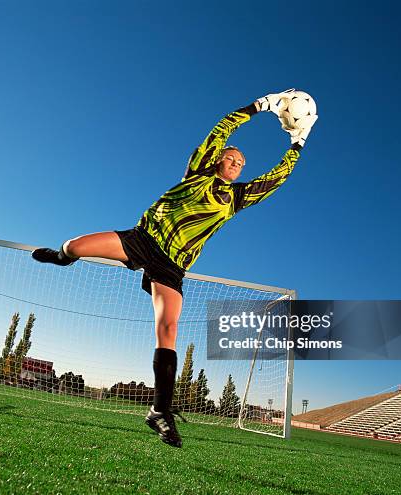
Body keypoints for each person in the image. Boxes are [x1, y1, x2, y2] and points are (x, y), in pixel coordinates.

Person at [32, 89, 317, 448]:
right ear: (218, 160)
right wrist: (260, 105)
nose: (237, 163)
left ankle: (160, 412)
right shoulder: (198, 171)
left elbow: (276, 179)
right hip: (142, 239)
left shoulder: (235, 200)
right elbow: (223, 126)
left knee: (168, 328)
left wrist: (298, 142)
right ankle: (61, 258)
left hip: (172, 265)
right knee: (74, 246)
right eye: (232, 157)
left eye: (241, 164)